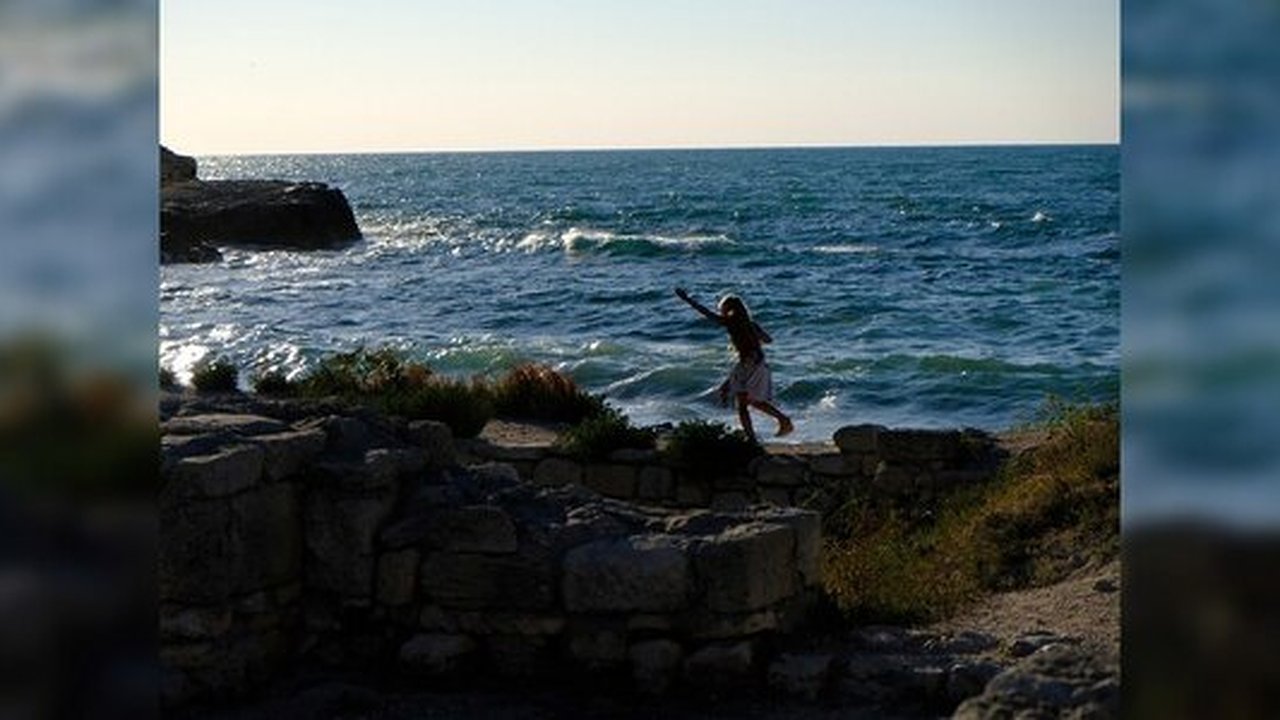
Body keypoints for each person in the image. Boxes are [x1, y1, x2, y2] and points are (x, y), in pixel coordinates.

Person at [674, 287, 794, 442]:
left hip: (748, 364)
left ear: (728, 309)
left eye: (722, 307)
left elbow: (706, 313)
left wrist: (687, 299)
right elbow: (768, 340)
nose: (721, 310)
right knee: (751, 400)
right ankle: (782, 420)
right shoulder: (751, 324)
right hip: (758, 362)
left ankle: (752, 438)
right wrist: (752, 338)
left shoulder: (731, 323)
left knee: (742, 404)